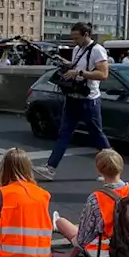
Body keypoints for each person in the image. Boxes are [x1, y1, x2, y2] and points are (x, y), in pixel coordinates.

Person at [35, 21, 110, 181]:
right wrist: (65, 63)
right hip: (72, 98)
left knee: (97, 135)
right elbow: (77, 65)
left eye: (77, 38)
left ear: (86, 35)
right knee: (64, 133)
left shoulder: (98, 50)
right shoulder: (77, 49)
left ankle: (111, 170)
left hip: (89, 100)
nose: (74, 41)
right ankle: (50, 168)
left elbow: (103, 74)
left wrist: (80, 72)